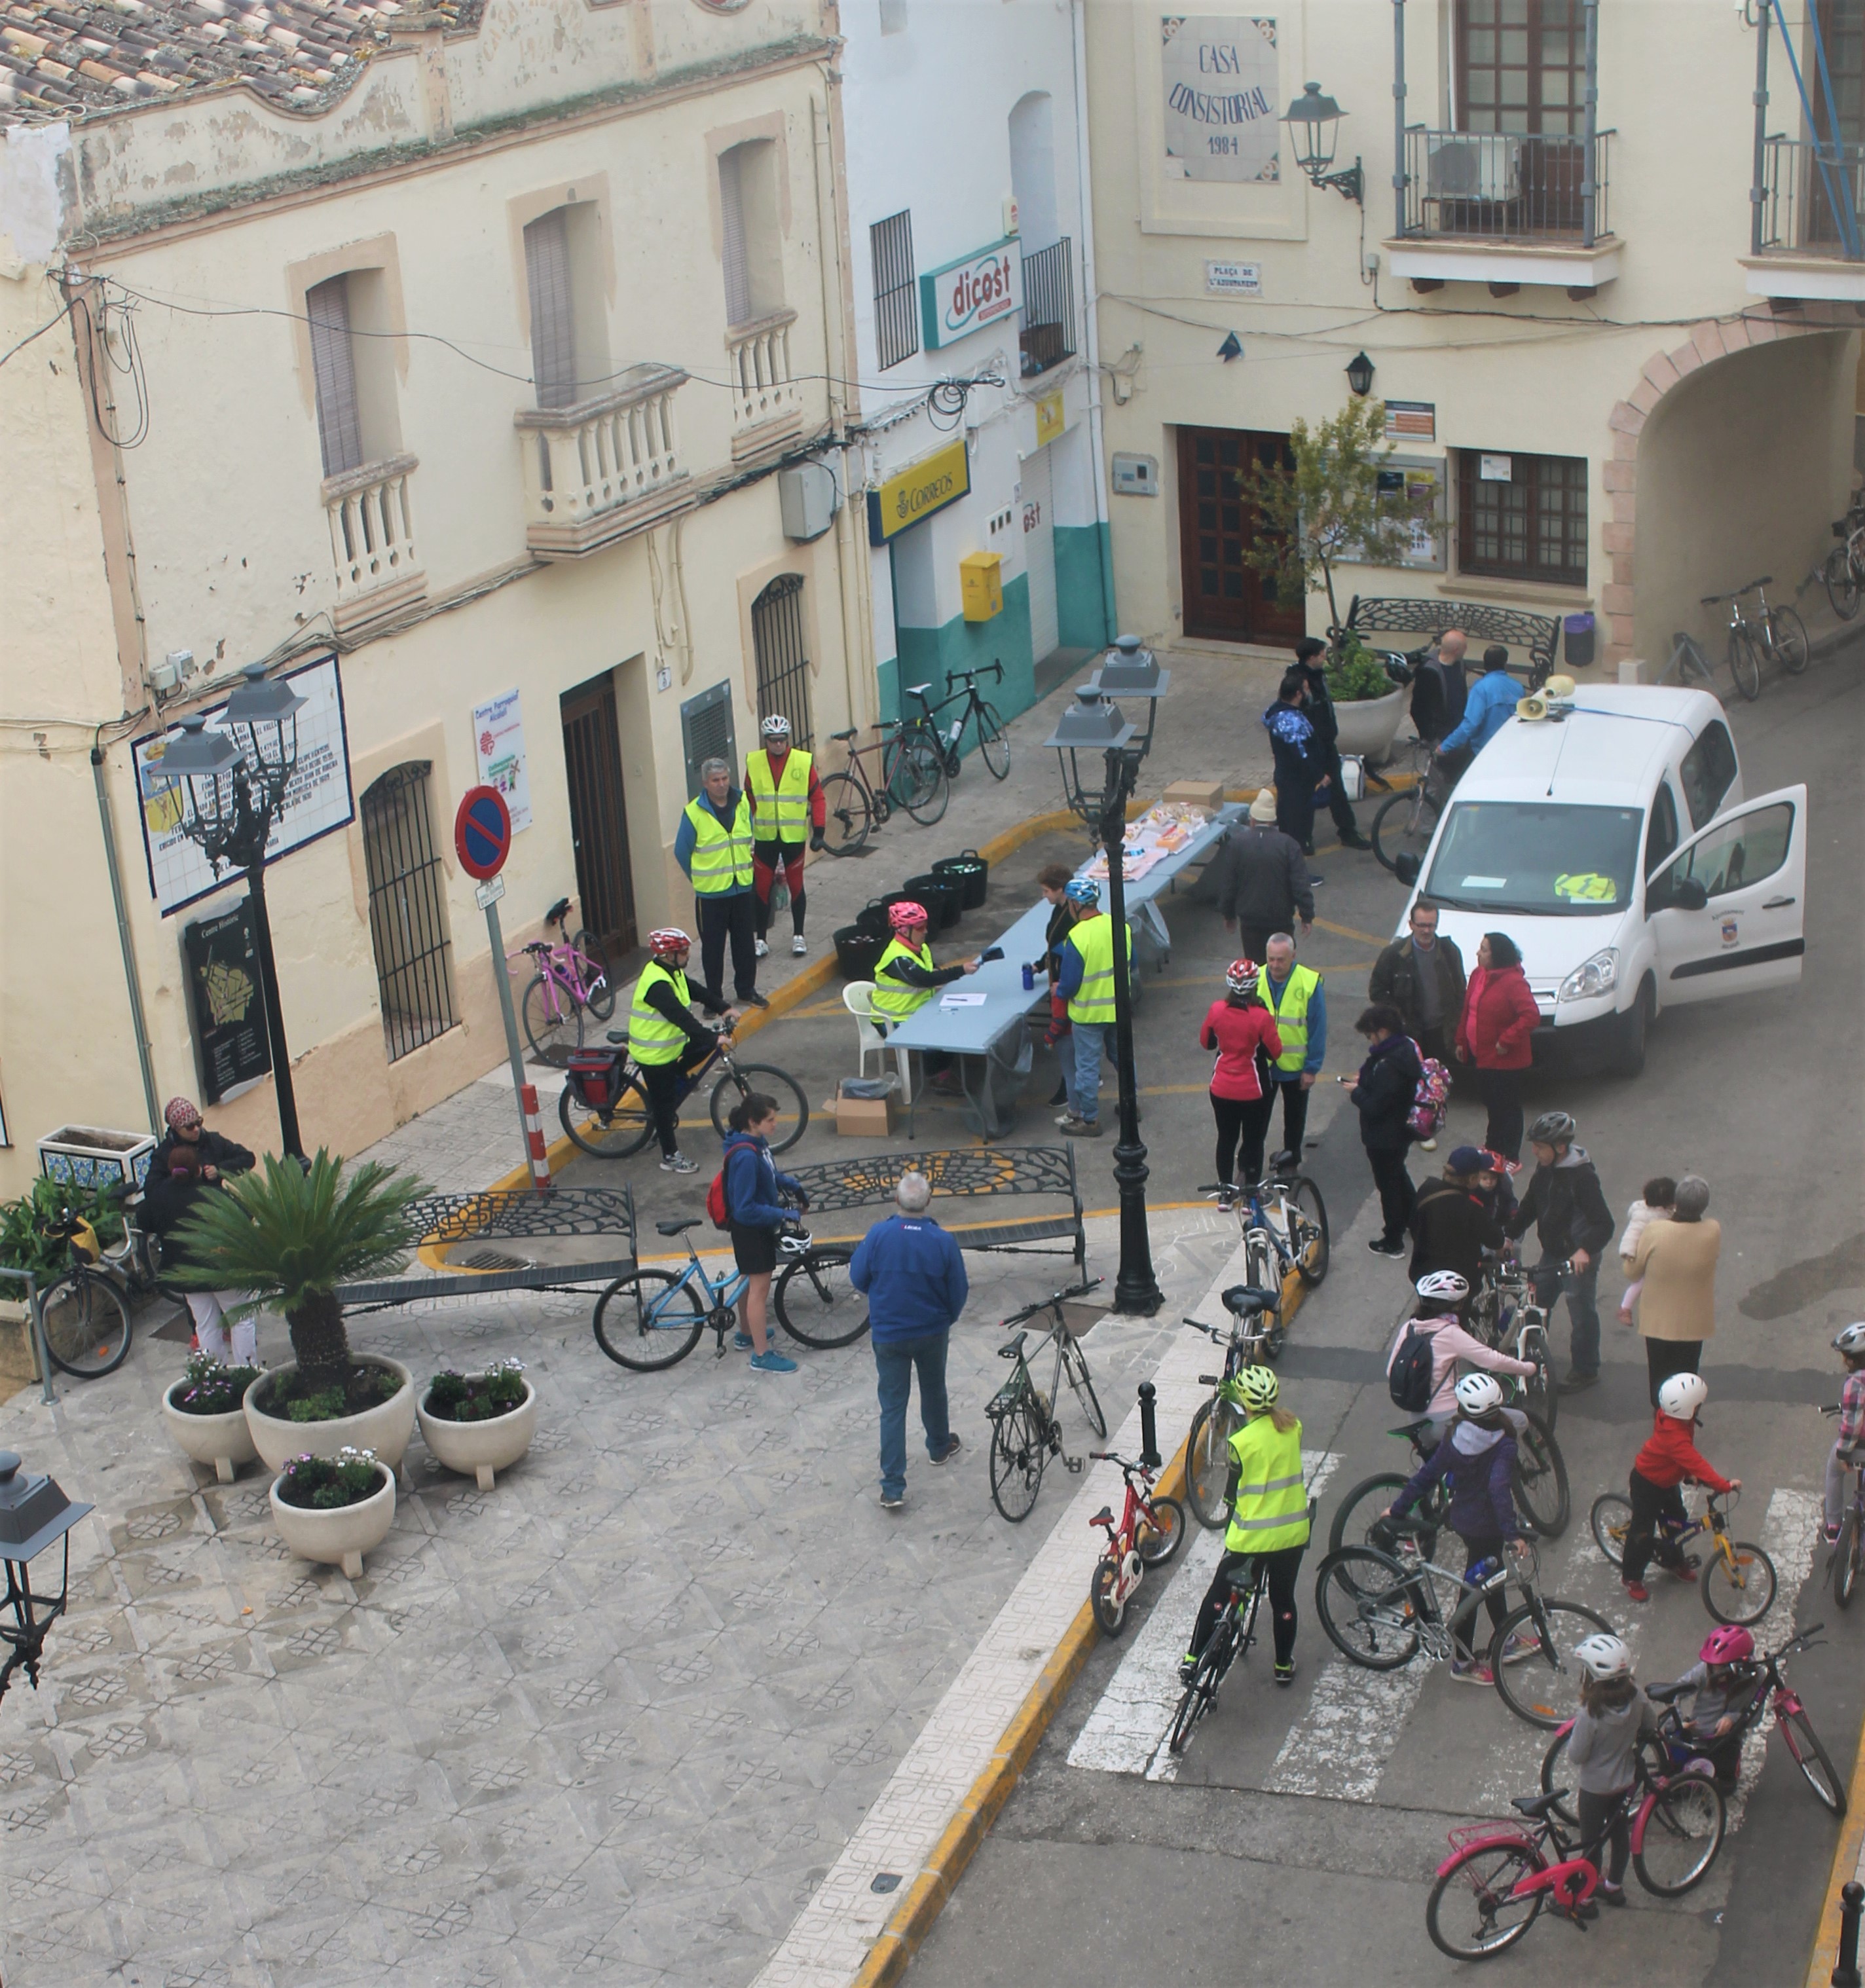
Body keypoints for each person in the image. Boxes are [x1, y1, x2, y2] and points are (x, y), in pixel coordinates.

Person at [1384, 1372, 1522, 1684]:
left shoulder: (1455, 1437)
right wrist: (1513, 1534)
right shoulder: (1505, 1442)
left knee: (1489, 1577)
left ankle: (1506, 1637)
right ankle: (1462, 1660)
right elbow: (1500, 1489)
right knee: (1475, 1588)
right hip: (1488, 1526)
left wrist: (1397, 1509)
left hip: (1465, 1520)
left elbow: (1427, 1477)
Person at [1181, 1365, 1309, 1688]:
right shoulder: (1294, 1427)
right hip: (1291, 1535)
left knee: (1219, 1594)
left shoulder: (1240, 1442)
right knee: (1283, 1601)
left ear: (1245, 1401)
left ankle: (1193, 1657)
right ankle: (1282, 1665)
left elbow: (1233, 1491)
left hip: (1250, 1539)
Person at [849, 1173, 968, 1512]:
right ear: (928, 1202)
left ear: (896, 1200)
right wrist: (946, 1318)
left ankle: (892, 1486)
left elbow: (858, 1278)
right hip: (931, 1331)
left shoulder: (878, 1235)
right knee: (934, 1388)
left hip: (889, 1335)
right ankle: (939, 1445)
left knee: (892, 1407)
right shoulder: (942, 1241)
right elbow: (958, 1291)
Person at [1507, 1111, 1615, 1393]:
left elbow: (1605, 1223)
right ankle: (1531, 1359)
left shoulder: (1582, 1178)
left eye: (1539, 1147)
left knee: (1581, 1314)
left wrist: (1585, 1251)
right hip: (1553, 1252)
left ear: (1560, 1148)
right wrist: (1509, 1234)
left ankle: (1586, 1370)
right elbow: (1531, 1204)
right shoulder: (1546, 1169)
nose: (1534, 1152)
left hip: (1576, 1259)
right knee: (1537, 1303)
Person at [141, 1114, 259, 1365]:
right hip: (220, 1268)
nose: (197, 1129)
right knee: (241, 1320)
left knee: (205, 1326)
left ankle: (216, 1377)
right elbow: (243, 1216)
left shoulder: (160, 1196)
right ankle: (247, 1372)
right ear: (198, 1169)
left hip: (187, 1273)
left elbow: (144, 1221)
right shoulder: (211, 1194)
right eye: (190, 1125)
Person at [1621, 1372, 1739, 1604]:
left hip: (1667, 1480)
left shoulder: (1678, 1420)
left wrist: (1686, 1475)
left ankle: (1673, 1561)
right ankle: (1632, 1576)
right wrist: (1724, 1485)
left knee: (1677, 1521)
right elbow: (1695, 1461)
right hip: (1648, 1484)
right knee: (1642, 1533)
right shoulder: (1675, 1436)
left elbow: (1680, 1460)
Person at [1566, 1634, 1660, 1910]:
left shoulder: (1589, 1714)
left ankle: (1585, 1898)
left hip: (1594, 1789)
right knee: (1619, 1836)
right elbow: (1651, 1724)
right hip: (1624, 1783)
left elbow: (1576, 1755)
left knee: (1591, 1844)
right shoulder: (1638, 1697)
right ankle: (1614, 1887)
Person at [624, 927, 725, 1175]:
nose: (688, 954)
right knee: (664, 1106)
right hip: (654, 1055)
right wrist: (714, 1038)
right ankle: (670, 1156)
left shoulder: (671, 971)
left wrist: (725, 1008)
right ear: (670, 955)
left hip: (670, 1046)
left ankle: (678, 1077)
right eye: (684, 951)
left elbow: (695, 990)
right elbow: (682, 1018)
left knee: (701, 1046)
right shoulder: (657, 984)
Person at [1386, 1272, 1537, 1435]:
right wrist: (1528, 1368)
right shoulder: (1450, 1333)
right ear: (1455, 1306)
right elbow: (1492, 1361)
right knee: (1519, 1420)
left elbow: (1391, 1371)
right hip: (1447, 1416)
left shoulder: (1409, 1328)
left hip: (1417, 1416)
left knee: (1433, 1459)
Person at [720, 1094, 806, 1374]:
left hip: (751, 1228)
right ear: (753, 1122)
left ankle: (746, 1333)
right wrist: (781, 1214)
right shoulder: (746, 1156)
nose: (776, 1124)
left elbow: (768, 1176)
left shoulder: (755, 1145)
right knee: (759, 1291)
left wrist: (791, 1185)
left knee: (747, 1282)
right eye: (770, 1120)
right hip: (752, 1230)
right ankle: (761, 1355)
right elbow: (745, 1208)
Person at [676, 757, 764, 1013]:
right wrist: (700, 879)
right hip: (711, 895)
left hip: (741, 888)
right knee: (713, 951)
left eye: (725, 778)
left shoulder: (743, 803)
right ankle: (713, 1000)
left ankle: (746, 991)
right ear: (705, 783)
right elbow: (682, 852)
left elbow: (750, 836)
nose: (722, 784)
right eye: (716, 780)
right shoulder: (694, 813)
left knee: (745, 944)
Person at [1624, 1173, 1718, 1407]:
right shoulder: (1713, 1230)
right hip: (1694, 1322)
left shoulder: (1655, 1231)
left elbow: (1632, 1272)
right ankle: (1685, 1420)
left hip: (1658, 1322)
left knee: (1660, 1375)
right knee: (1687, 1375)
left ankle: (1662, 1423)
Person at [871, 900, 983, 1092]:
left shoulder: (919, 948)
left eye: (925, 926)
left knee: (956, 1020)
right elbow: (925, 979)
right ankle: (938, 1076)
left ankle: (944, 1066)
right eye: (920, 928)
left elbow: (932, 969)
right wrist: (961, 970)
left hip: (915, 1009)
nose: (925, 931)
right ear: (905, 931)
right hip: (892, 1019)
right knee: (937, 1033)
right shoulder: (898, 958)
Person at [745, 713, 826, 960]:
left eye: (782, 740)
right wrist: (746, 832)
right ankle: (761, 939)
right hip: (765, 837)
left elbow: (818, 797)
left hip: (793, 838)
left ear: (788, 740)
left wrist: (819, 831)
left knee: (796, 886)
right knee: (761, 889)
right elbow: (748, 799)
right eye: (773, 740)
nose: (778, 745)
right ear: (766, 740)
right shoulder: (754, 762)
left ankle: (798, 936)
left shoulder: (802, 762)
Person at [1202, 959, 1283, 1202]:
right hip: (1254, 1091)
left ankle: (1225, 1193)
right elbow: (1276, 1052)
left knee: (1226, 1138)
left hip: (1221, 1088)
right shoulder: (1261, 1017)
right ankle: (1250, 1196)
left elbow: (1207, 1043)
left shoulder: (1217, 1010)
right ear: (1255, 985)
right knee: (1254, 1140)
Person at [1454, 932, 1539, 1162]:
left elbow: (1530, 1016)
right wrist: (1462, 1040)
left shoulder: (1513, 982)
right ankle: (1493, 1146)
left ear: (1497, 955)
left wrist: (1506, 1040)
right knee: (1492, 1103)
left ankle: (1510, 1156)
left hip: (1505, 1060)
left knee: (1507, 1108)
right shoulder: (1478, 975)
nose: (1478, 953)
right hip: (1482, 1056)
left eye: (1484, 950)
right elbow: (1469, 1010)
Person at [1347, 1001, 1421, 1258]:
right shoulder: (1405, 1049)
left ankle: (1393, 1240)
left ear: (1383, 1031)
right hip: (1401, 1132)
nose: (1369, 1039)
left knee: (1388, 1187)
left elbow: (1376, 1106)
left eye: (1370, 1034)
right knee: (1398, 1176)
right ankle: (1417, 1220)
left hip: (1385, 1136)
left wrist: (1356, 1092)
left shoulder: (1389, 1064)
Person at [1291, 635, 1372, 850]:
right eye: (1321, 654)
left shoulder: (1319, 675)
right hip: (1309, 746)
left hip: (1326, 744)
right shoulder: (1298, 680)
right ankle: (1303, 838)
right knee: (1307, 791)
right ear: (1311, 657)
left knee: (1337, 789)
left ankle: (1347, 831)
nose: (1325, 657)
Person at [1215, 789, 1314, 963]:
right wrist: (1307, 915)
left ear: (1252, 819)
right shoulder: (1289, 845)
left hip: (1250, 921)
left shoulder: (1237, 845)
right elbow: (1300, 885)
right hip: (1281, 920)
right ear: (1273, 820)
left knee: (1256, 968)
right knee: (1281, 967)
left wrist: (1228, 915)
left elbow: (1229, 884)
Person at [1369, 900, 1466, 1073]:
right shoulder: (1394, 955)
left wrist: (1457, 1026)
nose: (1427, 931)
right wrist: (1399, 1019)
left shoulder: (1449, 952)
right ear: (1411, 924)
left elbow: (1460, 991)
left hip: (1442, 1033)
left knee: (1437, 1082)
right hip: (1409, 1033)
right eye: (1421, 925)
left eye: (1431, 925)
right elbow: (1377, 991)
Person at [1055, 878, 1117, 1139]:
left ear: (1075, 904)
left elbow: (1068, 985)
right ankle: (1131, 1104)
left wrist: (1057, 990)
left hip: (1089, 1014)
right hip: (1118, 1010)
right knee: (1123, 1059)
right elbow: (1132, 962)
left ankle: (1089, 1121)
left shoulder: (1077, 937)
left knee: (1088, 1069)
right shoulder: (1118, 924)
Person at [1259, 932, 1325, 1169]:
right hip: (1262, 1067)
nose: (1275, 966)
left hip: (1295, 1067)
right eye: (1271, 959)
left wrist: (1312, 1068)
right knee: (1256, 1122)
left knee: (1295, 1120)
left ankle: (1291, 1162)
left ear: (1293, 956)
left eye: (1281, 960)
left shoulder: (1308, 983)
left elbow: (1318, 1028)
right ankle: (1250, 1167)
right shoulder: (1256, 978)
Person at [1671, 1625, 1761, 1794]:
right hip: (1697, 1734)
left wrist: (1731, 1719)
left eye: (1722, 1668)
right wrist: (1679, 1722)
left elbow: (1756, 1718)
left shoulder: (1755, 1679)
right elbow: (1675, 1692)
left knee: (1725, 1787)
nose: (1715, 1673)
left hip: (1725, 1741)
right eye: (1713, 1667)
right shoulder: (1704, 1671)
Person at [1407, 1149, 1507, 1289]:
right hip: (1458, 1283)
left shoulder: (1428, 1188)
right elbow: (1496, 1240)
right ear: (1472, 1179)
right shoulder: (1472, 1209)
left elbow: (1413, 1223)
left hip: (1424, 1276)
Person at [1261, 669, 1328, 855]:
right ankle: (1295, 872)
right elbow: (1301, 753)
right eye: (1305, 690)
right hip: (1296, 781)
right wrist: (1319, 775)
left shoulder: (1279, 712)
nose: (1308, 693)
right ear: (1298, 694)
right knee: (1295, 828)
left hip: (1290, 778)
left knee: (1291, 822)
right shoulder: (1290, 722)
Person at [1616, 1176, 1675, 1327]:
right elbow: (1632, 1235)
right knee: (1641, 1283)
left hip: (1658, 1253)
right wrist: (1628, 1253)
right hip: (1647, 1256)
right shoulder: (1644, 1216)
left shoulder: (1664, 1211)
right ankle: (1625, 1308)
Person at [1824, 1323, 1865, 1545]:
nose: (1843, 1361)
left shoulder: (1856, 1384)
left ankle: (1834, 1527)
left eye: (1845, 1357)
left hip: (1860, 1448)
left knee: (1833, 1470)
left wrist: (1843, 1455)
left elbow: (1852, 1426)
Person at [1408, 628, 1469, 746]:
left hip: (1456, 730)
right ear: (1456, 650)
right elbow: (1418, 708)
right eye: (1465, 646)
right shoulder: (1428, 671)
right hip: (1438, 736)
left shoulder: (1460, 664)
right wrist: (1429, 736)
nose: (1466, 649)